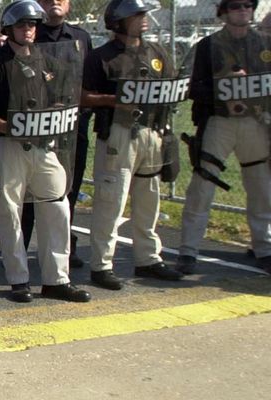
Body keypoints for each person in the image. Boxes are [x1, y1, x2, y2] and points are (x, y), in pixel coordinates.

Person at [0, 0, 91, 303]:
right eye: (21, 25)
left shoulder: (51, 62)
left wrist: (51, 115)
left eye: (32, 24)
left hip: (46, 146)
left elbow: (65, 99)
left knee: (57, 207)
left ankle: (57, 278)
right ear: (8, 29)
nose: (28, 30)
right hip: (8, 147)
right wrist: (10, 126)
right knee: (10, 213)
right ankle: (18, 279)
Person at [82, 0, 185, 288]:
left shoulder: (157, 52)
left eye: (145, 14)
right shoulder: (102, 57)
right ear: (118, 20)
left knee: (149, 199)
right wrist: (114, 100)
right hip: (118, 132)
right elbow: (82, 97)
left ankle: (148, 259)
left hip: (152, 131)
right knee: (111, 200)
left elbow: (173, 86)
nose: (144, 19)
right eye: (137, 15)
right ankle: (101, 265)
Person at [179, 0, 271, 274]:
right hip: (220, 121)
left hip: (255, 123)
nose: (242, 10)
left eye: (247, 5)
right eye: (234, 6)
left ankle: (264, 248)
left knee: (261, 187)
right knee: (202, 187)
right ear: (223, 11)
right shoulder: (208, 46)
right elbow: (191, 87)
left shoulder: (264, 44)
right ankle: (188, 251)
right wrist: (223, 90)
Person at [20, 0, 94, 269]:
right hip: (35, 132)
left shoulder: (81, 37)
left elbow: (90, 81)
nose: (54, 2)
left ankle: (64, 248)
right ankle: (20, 249)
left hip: (73, 130)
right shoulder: (28, 34)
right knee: (29, 194)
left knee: (68, 190)